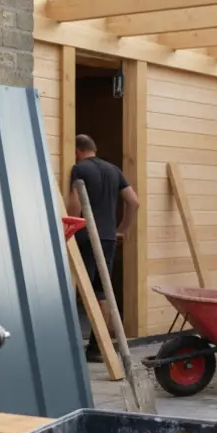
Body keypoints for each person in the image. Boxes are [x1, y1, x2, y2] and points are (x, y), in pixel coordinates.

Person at [66, 134, 140, 362]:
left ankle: (69, 342)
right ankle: (99, 348)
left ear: (78, 150)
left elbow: (76, 202)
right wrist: (123, 229)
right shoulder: (114, 170)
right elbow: (134, 202)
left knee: (82, 290)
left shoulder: (79, 169)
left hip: (86, 237)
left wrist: (71, 229)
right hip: (107, 238)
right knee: (101, 290)